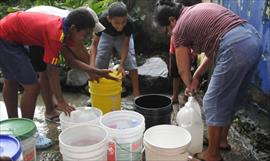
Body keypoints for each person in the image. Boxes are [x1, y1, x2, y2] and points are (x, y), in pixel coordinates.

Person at [154, 1, 262, 161]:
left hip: (235, 46)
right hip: (253, 41)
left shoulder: (180, 27)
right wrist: (196, 77)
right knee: (231, 97)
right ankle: (221, 141)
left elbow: (182, 69)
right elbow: (213, 52)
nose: (170, 33)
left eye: (167, 29)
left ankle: (212, 155)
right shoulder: (197, 11)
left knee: (212, 101)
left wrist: (189, 88)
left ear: (172, 20)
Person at [0, 8, 118, 121]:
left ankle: (15, 125)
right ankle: (26, 131)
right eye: (85, 34)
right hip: (6, 36)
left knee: (11, 80)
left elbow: (71, 61)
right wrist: (60, 101)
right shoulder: (56, 34)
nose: (86, 39)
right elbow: (52, 71)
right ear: (73, 29)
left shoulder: (65, 30)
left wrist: (97, 71)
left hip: (12, 32)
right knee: (32, 87)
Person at [25, 6, 106, 122]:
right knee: (43, 72)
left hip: (39, 28)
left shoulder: (72, 24)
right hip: (32, 31)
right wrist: (93, 71)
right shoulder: (63, 26)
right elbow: (76, 49)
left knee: (47, 70)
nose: (88, 37)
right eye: (87, 34)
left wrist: (92, 71)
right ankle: (49, 110)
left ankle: (52, 107)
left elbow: (71, 57)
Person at [89, 1, 140, 97]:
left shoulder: (129, 23)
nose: (120, 26)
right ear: (109, 19)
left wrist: (121, 64)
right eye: (117, 23)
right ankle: (99, 91)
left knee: (130, 61)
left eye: (123, 22)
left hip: (122, 37)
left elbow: (126, 45)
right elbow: (94, 44)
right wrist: (92, 67)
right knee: (100, 60)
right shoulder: (102, 21)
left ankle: (136, 92)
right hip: (106, 35)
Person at [167, 0, 201, 103]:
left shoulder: (186, 18)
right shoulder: (171, 17)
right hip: (173, 52)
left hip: (187, 52)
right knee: (175, 76)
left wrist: (193, 52)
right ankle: (175, 96)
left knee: (186, 74)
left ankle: (187, 97)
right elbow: (170, 31)